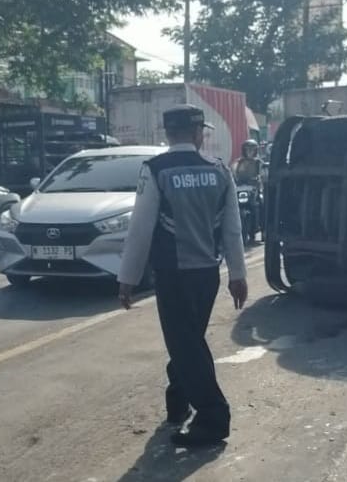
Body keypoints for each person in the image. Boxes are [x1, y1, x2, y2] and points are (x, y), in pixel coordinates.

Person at [117, 104, 248, 448]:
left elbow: (140, 229)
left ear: (167, 133)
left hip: (173, 275)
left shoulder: (156, 169)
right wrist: (238, 274)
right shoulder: (219, 170)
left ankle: (213, 417)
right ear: (198, 133)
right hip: (207, 274)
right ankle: (178, 402)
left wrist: (127, 278)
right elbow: (233, 230)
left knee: (186, 345)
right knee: (188, 341)